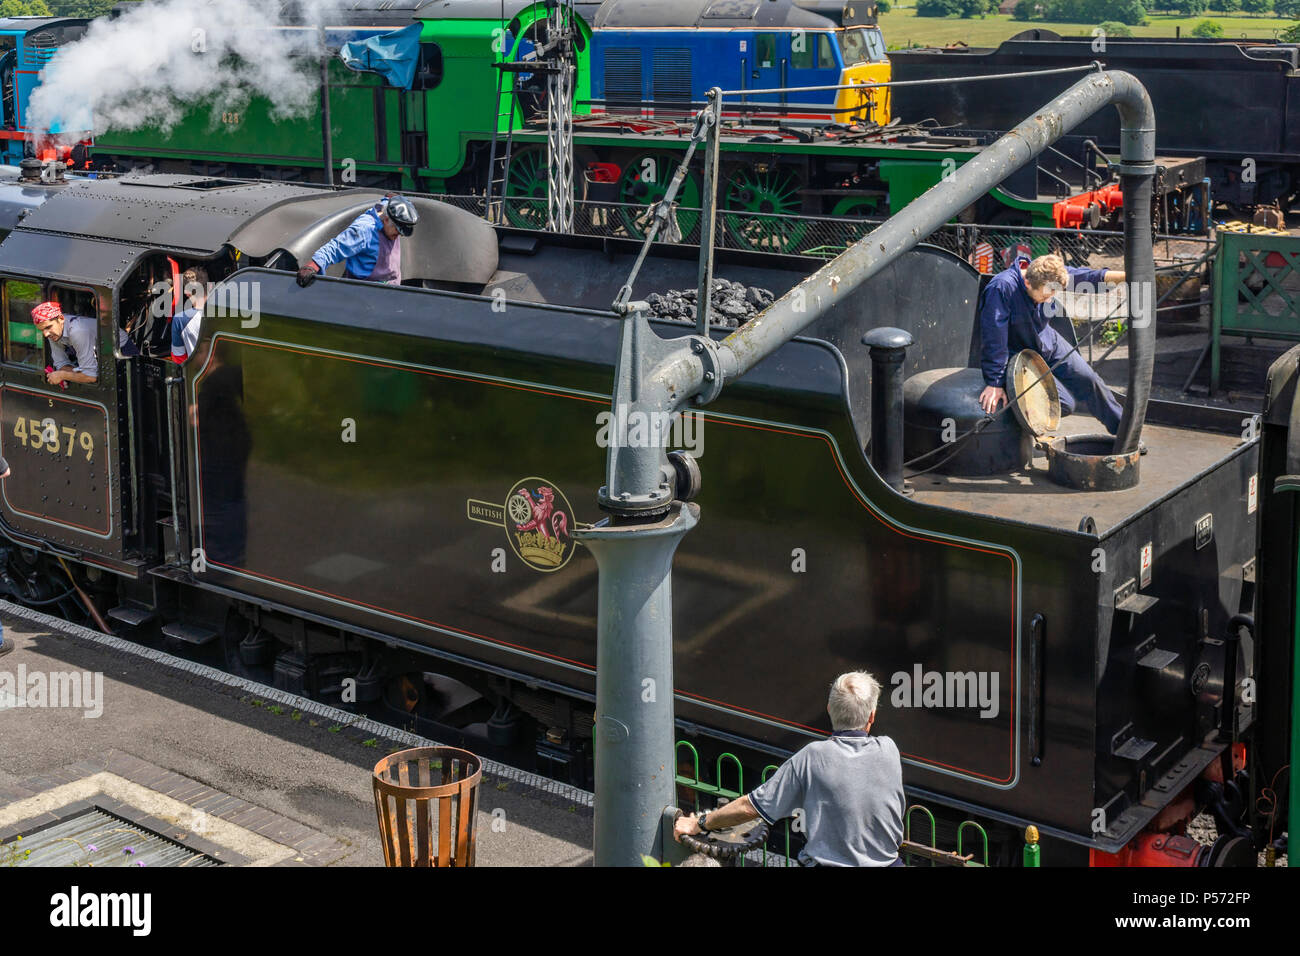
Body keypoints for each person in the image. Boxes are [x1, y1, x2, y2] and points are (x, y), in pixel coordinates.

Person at [673, 671, 906, 867]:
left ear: (828, 709)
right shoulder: (889, 749)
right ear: (872, 717)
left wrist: (699, 823)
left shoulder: (812, 757)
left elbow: (749, 807)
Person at [977, 253, 1127, 435]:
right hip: (1019, 354)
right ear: (1027, 283)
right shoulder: (1001, 288)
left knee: (1090, 380)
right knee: (1064, 405)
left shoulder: (1049, 275)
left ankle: (1124, 432)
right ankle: (1019, 428)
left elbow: (1087, 277)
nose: (1050, 299)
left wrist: (1129, 276)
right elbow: (994, 339)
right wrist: (995, 383)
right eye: (1046, 295)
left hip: (1048, 342)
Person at [296, 194, 419, 288]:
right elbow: (335, 248)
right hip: (365, 293)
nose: (399, 236)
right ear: (386, 220)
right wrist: (313, 266)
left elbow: (385, 203)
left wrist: (392, 198)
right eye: (397, 231)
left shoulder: (385, 208)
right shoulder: (364, 230)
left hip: (391, 289)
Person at [32, 301, 99, 386]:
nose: (46, 334)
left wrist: (62, 375)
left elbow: (91, 376)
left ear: (61, 318)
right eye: (42, 330)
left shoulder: (78, 331)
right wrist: (73, 375)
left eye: (48, 327)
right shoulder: (54, 332)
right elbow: (61, 363)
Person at [171, 266, 208, 364]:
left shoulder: (180, 320)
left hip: (199, 375)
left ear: (187, 293)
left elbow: (178, 357)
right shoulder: (228, 313)